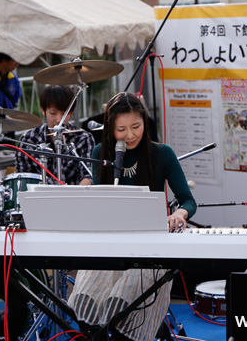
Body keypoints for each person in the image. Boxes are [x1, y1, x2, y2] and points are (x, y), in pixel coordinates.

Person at [67, 92, 196, 341]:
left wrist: (180, 212)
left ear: (145, 123)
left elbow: (188, 200)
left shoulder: (163, 154)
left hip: (152, 247)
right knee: (84, 305)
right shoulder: (99, 153)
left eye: (136, 126)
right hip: (111, 244)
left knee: (124, 307)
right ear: (110, 130)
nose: (130, 135)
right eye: (121, 129)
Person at [15, 85, 94, 185]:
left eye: (64, 113)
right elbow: (23, 179)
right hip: (38, 198)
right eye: (53, 113)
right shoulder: (28, 139)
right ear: (43, 110)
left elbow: (88, 174)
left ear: (71, 112)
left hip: (74, 197)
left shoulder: (83, 138)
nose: (59, 119)